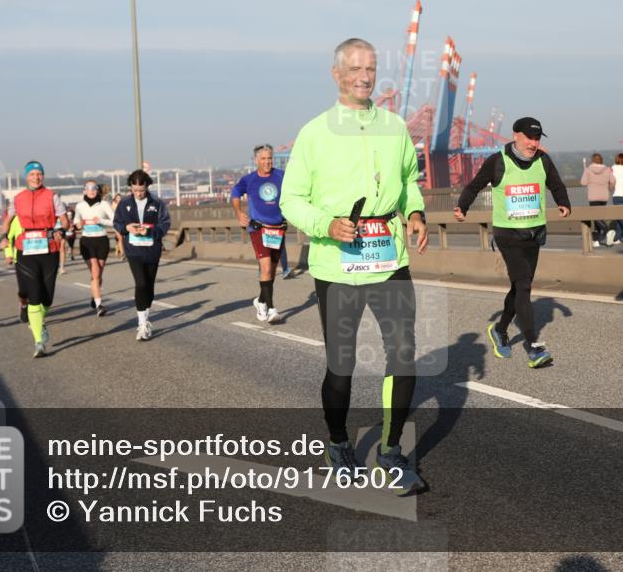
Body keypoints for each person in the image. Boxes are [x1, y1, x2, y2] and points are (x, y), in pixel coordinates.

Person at [280, 37, 427, 496]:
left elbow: (408, 181)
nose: (365, 77)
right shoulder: (314, 132)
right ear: (337, 74)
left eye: (372, 68)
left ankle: (390, 451)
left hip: (389, 258)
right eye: (356, 69)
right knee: (341, 365)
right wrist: (326, 224)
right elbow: (290, 201)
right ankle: (339, 443)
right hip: (337, 263)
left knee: (403, 354)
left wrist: (416, 212)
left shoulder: (395, 126)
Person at [455, 117, 571, 366]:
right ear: (515, 135)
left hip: (534, 232)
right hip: (507, 234)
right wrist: (462, 206)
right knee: (525, 287)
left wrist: (564, 202)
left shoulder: (543, 160)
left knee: (521, 286)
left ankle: (500, 329)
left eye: (537, 138)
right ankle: (533, 346)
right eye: (529, 137)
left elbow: (556, 184)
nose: (533, 143)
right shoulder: (498, 160)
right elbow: (475, 185)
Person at [1, 161, 69, 358]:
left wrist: (61, 230)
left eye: (39, 174)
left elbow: (64, 219)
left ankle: (41, 320)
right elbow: (7, 220)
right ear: (26, 176)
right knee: (34, 295)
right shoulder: (17, 199)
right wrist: (4, 237)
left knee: (47, 297)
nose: (36, 177)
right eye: (32, 174)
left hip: (49, 247)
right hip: (25, 248)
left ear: (43, 176)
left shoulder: (52, 196)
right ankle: (39, 341)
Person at [112, 170, 171, 341]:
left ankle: (146, 314)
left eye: (141, 190)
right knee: (140, 283)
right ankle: (142, 323)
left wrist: (151, 230)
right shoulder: (124, 203)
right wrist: (127, 228)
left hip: (152, 249)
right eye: (135, 190)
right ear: (130, 187)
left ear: (147, 187)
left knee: (149, 287)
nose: (138, 193)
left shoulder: (157, 203)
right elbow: (117, 222)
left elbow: (165, 223)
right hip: (133, 250)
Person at [232, 144, 287, 323]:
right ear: (256, 160)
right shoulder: (249, 179)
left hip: (278, 229)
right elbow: (235, 193)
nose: (267, 162)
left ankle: (261, 301)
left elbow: (294, 193)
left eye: (269, 158)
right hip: (259, 228)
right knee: (266, 269)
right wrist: (239, 212)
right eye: (263, 159)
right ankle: (271, 309)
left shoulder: (281, 176)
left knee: (271, 272)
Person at [73, 180, 115, 316]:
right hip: (87, 242)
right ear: (84, 190)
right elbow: (76, 221)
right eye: (88, 188)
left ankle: (95, 294)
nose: (91, 190)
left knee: (99, 274)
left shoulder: (104, 204)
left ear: (98, 190)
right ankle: (99, 306)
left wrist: (101, 221)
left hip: (102, 241)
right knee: (95, 272)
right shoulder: (79, 206)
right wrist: (78, 224)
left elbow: (115, 220)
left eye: (94, 188)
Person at [581, 153, 615, 247]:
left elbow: (583, 182)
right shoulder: (607, 169)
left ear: (592, 160)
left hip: (593, 196)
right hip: (604, 196)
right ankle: (596, 240)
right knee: (599, 217)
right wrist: (609, 187)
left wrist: (589, 180)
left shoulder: (588, 170)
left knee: (596, 217)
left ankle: (607, 231)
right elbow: (613, 181)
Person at [1, 214, 29, 323]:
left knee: (38, 287)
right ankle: (24, 305)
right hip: (21, 258)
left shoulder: (40, 216)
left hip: (38, 257)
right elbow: (9, 237)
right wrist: (8, 254)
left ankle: (36, 314)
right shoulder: (17, 218)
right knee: (23, 291)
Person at [111, 193, 125, 260]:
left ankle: (124, 251)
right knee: (120, 238)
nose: (119, 199)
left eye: (120, 198)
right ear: (115, 199)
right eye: (118, 198)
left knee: (124, 238)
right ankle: (122, 253)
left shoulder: (124, 205)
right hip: (117, 223)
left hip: (124, 223)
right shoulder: (113, 205)